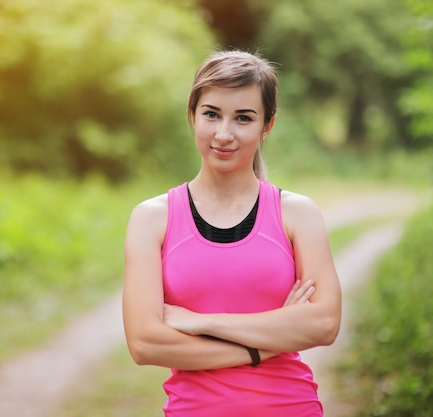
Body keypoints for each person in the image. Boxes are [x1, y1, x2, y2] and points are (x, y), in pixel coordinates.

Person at [122, 50, 342, 416]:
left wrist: (201, 322)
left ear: (267, 126)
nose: (223, 134)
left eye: (243, 118)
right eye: (211, 114)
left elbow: (324, 324)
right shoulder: (152, 218)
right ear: (192, 116)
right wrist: (267, 342)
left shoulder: (297, 214)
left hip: (290, 407)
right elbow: (145, 344)